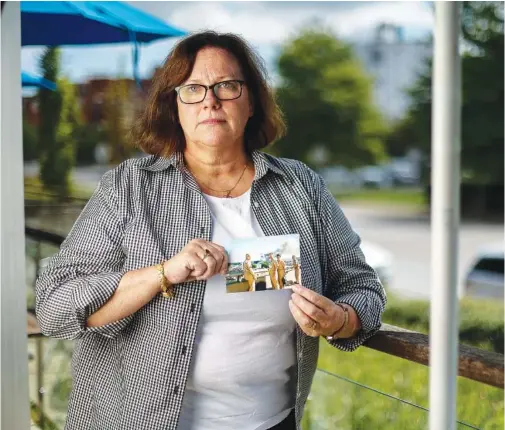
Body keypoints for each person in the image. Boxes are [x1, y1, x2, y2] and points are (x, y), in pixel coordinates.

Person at [35, 31, 386, 430]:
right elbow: (54, 307)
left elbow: (363, 284)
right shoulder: (128, 188)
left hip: (270, 422)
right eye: (193, 89)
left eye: (227, 86)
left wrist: (341, 320)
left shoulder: (300, 187)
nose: (210, 100)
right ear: (174, 105)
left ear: (251, 100)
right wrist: (163, 273)